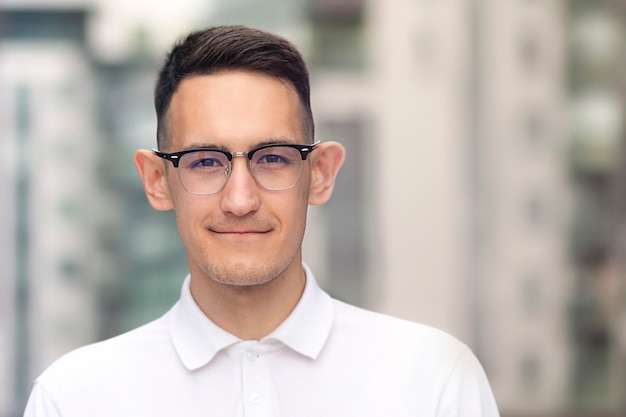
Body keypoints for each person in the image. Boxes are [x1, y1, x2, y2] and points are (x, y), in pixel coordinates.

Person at [24, 25, 499, 416]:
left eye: (272, 158)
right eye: (206, 162)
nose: (240, 199)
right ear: (156, 181)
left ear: (320, 174)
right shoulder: (76, 398)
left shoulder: (433, 381)